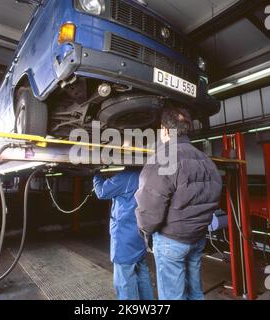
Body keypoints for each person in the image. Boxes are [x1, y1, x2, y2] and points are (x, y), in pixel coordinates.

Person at [135, 105, 222, 300]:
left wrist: (145, 231)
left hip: (171, 240)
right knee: (196, 292)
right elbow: (215, 193)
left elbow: (149, 210)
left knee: (173, 297)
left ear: (165, 130)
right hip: (198, 238)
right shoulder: (206, 160)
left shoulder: (163, 159)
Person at [93, 168, 154, 300]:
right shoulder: (146, 174)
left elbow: (102, 192)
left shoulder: (125, 176)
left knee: (124, 280)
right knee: (142, 274)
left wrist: (96, 176)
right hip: (140, 233)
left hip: (124, 236)